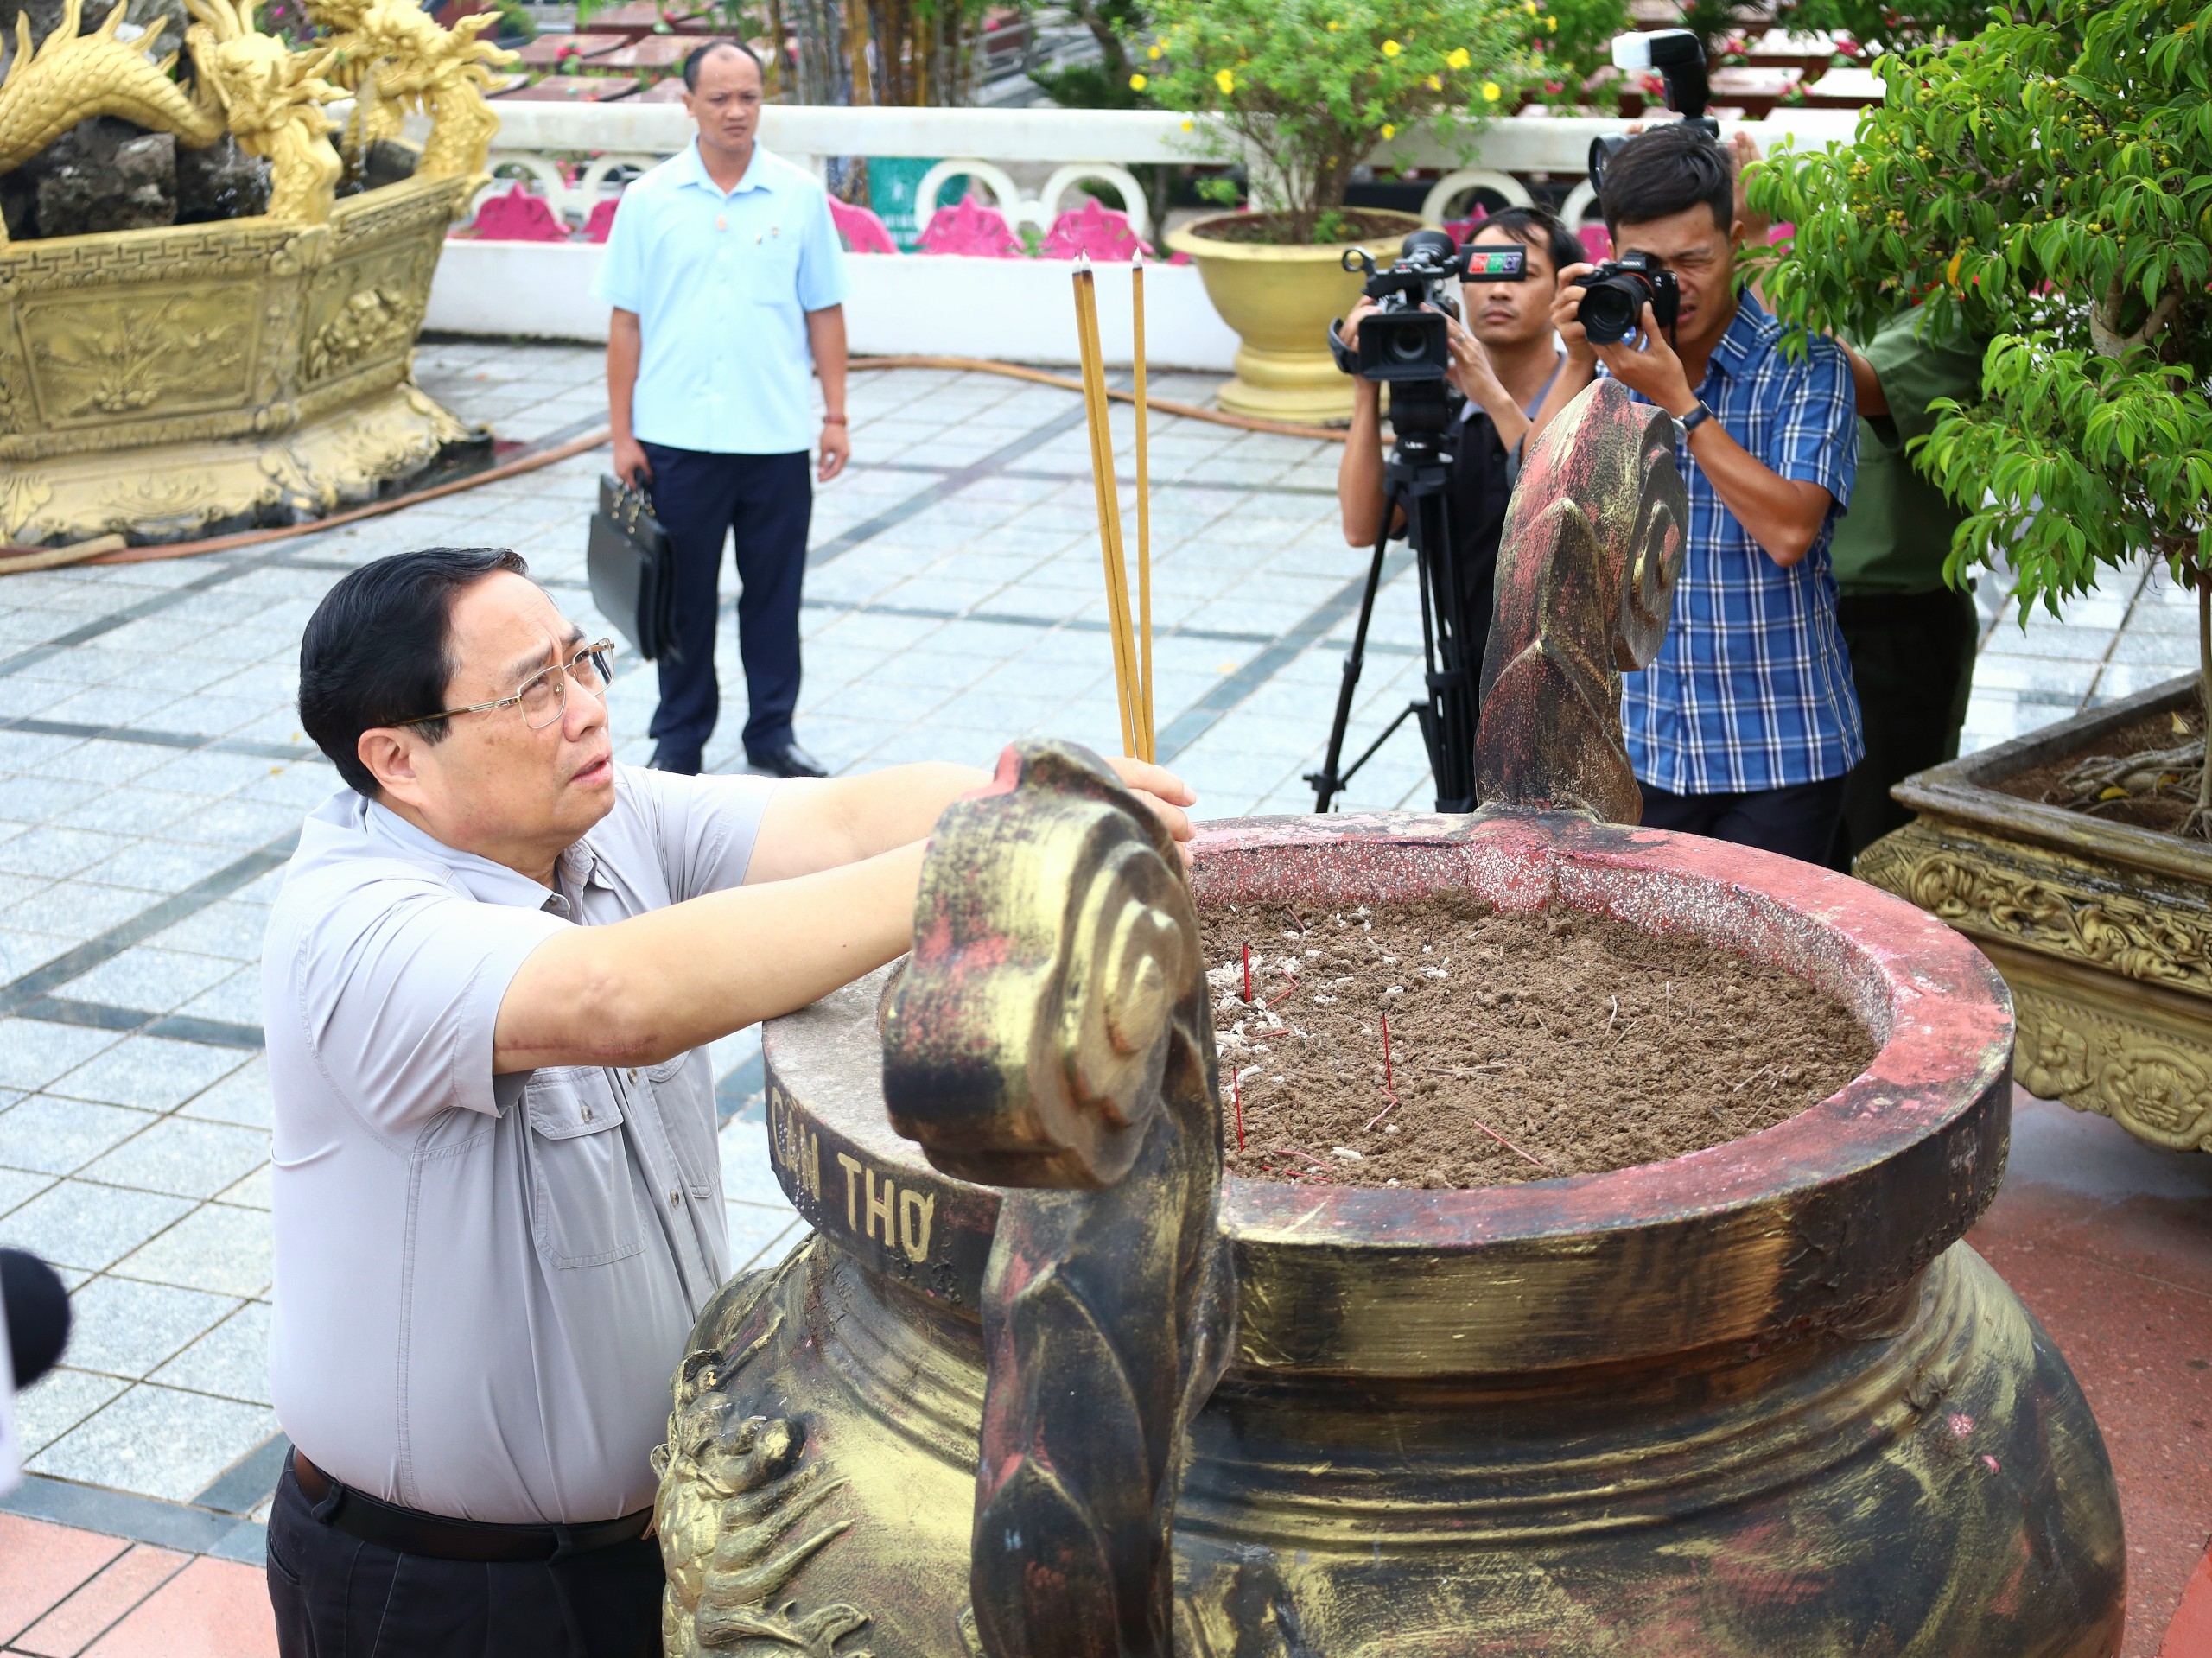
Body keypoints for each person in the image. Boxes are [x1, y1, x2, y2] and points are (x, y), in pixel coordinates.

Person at [263, 547, 1194, 1657]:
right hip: (443, 1589)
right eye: (533, 689)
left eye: (584, 661)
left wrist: (1041, 793)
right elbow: (621, 998)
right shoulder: (354, 925)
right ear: (397, 758)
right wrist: (991, 859)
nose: (586, 708)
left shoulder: (601, 824)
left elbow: (845, 825)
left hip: (664, 1541)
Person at [1530, 124, 1862, 863]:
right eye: (1649, 262)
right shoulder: (1615, 357)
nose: (1674, 283)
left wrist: (1682, 404)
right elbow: (1538, 490)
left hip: (1781, 748)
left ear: (1738, 239)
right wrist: (1577, 362)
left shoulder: (1804, 363)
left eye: (1694, 260)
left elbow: (1789, 531)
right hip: (1646, 742)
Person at [595, 39, 848, 781]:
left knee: (776, 599)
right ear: (689, 104)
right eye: (720, 99)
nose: (737, 112)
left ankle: (772, 733)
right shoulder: (649, 201)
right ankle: (679, 740)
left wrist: (834, 414)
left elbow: (825, 310)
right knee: (682, 604)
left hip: (774, 440)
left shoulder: (799, 196)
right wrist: (622, 434)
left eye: (750, 97)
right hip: (676, 441)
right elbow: (626, 324)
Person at [1333, 208, 1579, 744]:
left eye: (1522, 273)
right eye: (1483, 275)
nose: (1498, 292)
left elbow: (1558, 497)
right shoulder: (1442, 411)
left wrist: (1487, 392)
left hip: (1574, 688)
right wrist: (1366, 380)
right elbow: (1361, 526)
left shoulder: (1589, 397)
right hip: (1468, 682)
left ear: (1562, 290)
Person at [1827, 307, 1987, 870]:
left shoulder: (1952, 317)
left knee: (1885, 850)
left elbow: (1851, 378)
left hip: (1892, 626)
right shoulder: (1826, 296)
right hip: (1791, 613)